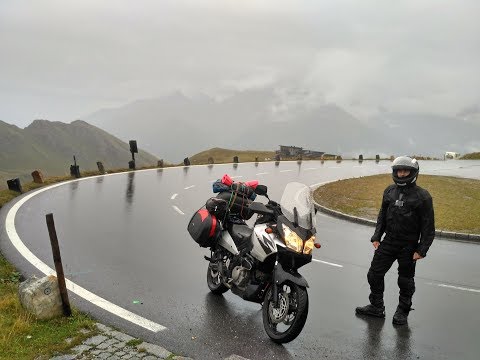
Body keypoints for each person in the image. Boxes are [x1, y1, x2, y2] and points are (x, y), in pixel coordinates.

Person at [355, 156, 435, 325]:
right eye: (399, 170)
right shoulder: (389, 191)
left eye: (405, 171)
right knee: (374, 274)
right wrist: (377, 236)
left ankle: (403, 311)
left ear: (413, 173)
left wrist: (422, 249)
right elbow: (382, 216)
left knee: (405, 280)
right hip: (389, 241)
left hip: (409, 245)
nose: (402, 173)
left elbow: (428, 227)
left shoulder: (423, 196)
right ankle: (377, 307)